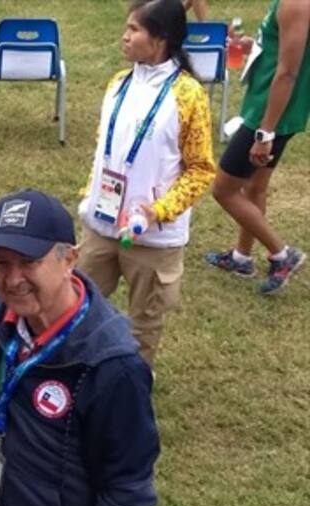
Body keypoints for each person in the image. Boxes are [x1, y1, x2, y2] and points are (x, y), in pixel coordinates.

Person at [0, 189, 160, 506]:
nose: (13, 280)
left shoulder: (113, 366)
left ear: (69, 259)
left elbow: (128, 491)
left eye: (29, 262)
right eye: (1, 263)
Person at [77, 0, 215, 366]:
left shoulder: (187, 95)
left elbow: (201, 169)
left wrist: (158, 211)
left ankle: (131, 388)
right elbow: (106, 151)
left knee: (144, 325)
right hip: (101, 226)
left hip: (153, 239)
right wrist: (91, 197)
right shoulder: (118, 84)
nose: (124, 37)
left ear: (161, 40)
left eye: (134, 30)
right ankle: (76, 373)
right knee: (77, 306)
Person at [205, 0, 309, 294]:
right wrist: (254, 46)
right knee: (255, 188)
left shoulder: (296, 4)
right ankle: (241, 258)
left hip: (269, 114)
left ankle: (281, 254)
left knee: (224, 189)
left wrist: (265, 132)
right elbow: (286, 50)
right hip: (277, 112)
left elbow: (289, 72)